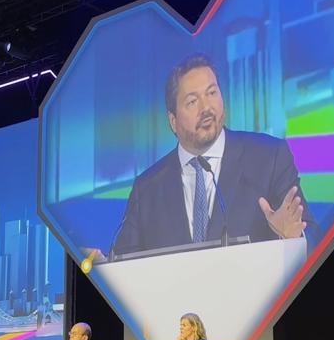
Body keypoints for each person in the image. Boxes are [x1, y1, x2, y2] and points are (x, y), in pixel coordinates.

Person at [110, 53, 320, 258]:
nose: (206, 108)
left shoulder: (269, 157)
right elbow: (123, 263)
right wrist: (103, 268)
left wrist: (293, 237)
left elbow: (313, 241)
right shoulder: (147, 189)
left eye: (212, 93)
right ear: (173, 121)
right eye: (192, 102)